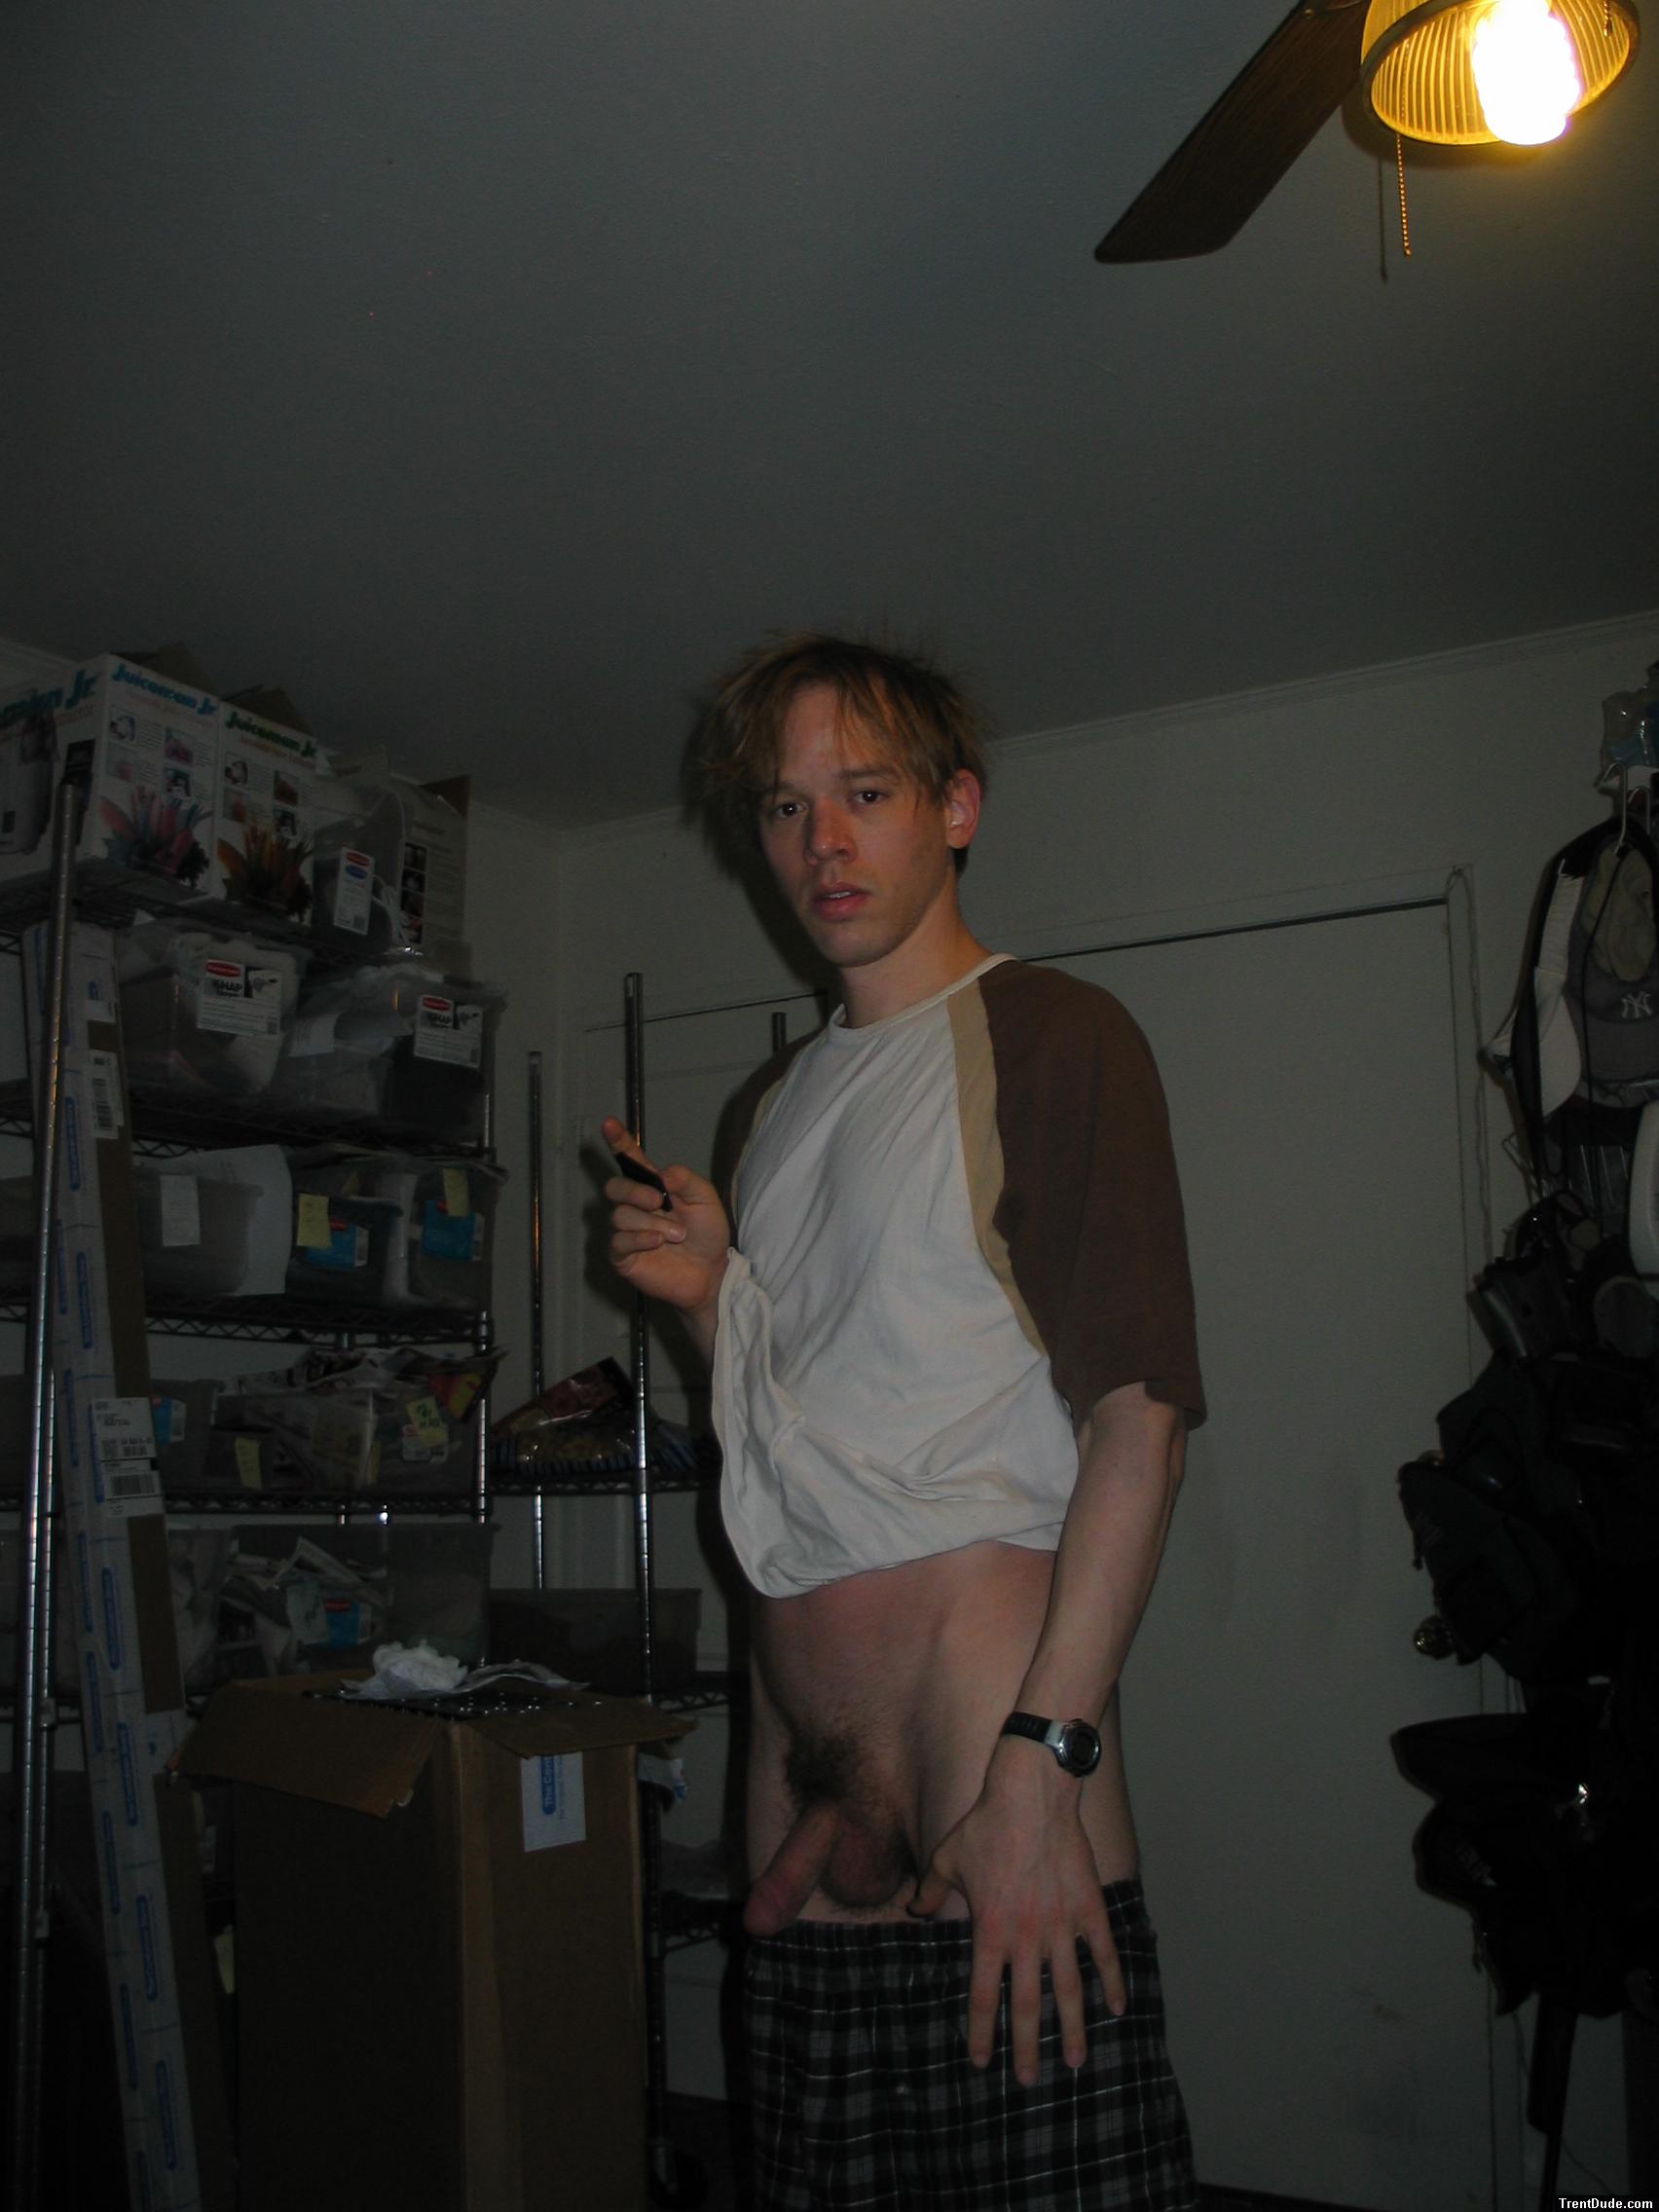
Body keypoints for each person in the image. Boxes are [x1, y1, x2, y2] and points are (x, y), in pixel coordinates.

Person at [604, 633, 1205, 2211]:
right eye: (785, 806)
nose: (822, 840)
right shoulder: (768, 1109)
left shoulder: (1054, 1035)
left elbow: (1141, 1427)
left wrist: (1041, 1775)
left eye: (864, 793)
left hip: (992, 1793)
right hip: (802, 1817)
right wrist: (707, 1297)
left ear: (955, 808)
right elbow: (791, 1440)